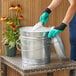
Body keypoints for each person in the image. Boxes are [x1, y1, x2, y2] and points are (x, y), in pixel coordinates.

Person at [34, 0, 76, 76]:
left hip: (74, 9)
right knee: (74, 42)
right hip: (74, 13)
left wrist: (62, 25)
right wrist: (48, 10)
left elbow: (74, 4)